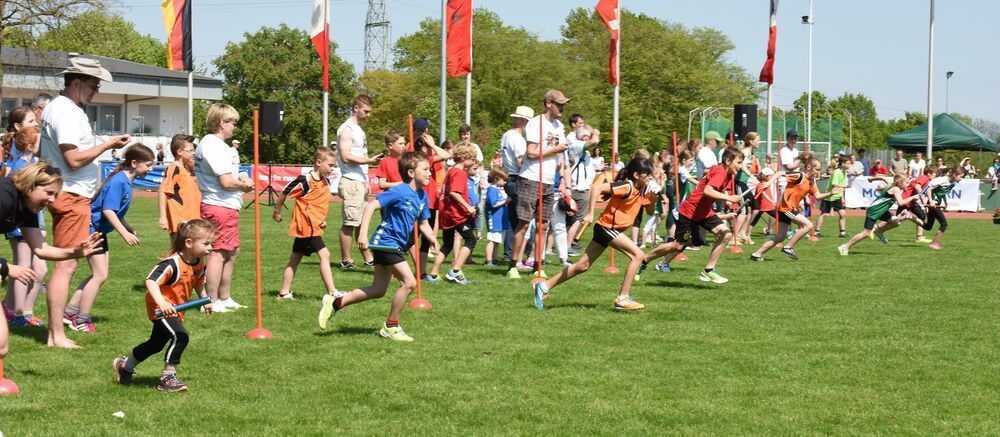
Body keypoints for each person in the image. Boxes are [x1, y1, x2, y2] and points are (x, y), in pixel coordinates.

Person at [40, 56, 131, 348]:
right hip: (71, 196)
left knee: (69, 265)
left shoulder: (66, 109)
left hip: (72, 195)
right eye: (93, 85)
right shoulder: (65, 111)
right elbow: (73, 159)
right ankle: (56, 334)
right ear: (76, 83)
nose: (96, 92)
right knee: (66, 266)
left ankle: (57, 331)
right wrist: (108, 144)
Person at [317, 151, 438, 341]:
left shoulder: (422, 197)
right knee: (410, 282)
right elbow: (372, 206)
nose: (430, 172)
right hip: (384, 242)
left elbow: (423, 224)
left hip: (395, 245)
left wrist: (433, 239)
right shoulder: (399, 190)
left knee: (378, 290)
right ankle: (391, 326)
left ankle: (337, 302)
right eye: (425, 169)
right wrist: (363, 233)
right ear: (411, 173)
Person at [0, 163, 104, 359]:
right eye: (48, 192)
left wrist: (76, 252)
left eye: (55, 194)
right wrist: (6, 267)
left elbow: (41, 249)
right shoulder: (4, 197)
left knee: (1, 346)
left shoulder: (28, 207)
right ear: (31, 185)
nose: (53, 200)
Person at [533, 157, 657, 311]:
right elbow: (596, 189)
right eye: (648, 174)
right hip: (607, 228)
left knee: (582, 266)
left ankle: (544, 286)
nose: (651, 177)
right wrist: (590, 213)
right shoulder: (627, 186)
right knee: (638, 255)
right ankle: (622, 298)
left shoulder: (644, 190)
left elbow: (650, 211)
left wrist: (652, 200)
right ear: (637, 175)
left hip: (611, 230)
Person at [112, 219, 215, 393]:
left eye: (211, 243)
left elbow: (198, 282)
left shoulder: (199, 262)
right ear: (189, 243)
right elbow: (151, 281)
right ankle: (168, 376)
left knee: (155, 344)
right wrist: (161, 302)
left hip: (176, 310)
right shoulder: (172, 263)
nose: (210, 247)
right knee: (181, 336)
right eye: (206, 243)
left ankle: (125, 366)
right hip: (160, 309)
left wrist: (204, 299)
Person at [64, 145, 155, 333]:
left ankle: (70, 312)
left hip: (97, 231)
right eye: (148, 165)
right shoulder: (120, 181)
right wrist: (124, 234)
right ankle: (81, 320)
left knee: (99, 275)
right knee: (100, 275)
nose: (151, 169)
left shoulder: (125, 181)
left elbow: (116, 212)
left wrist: (129, 227)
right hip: (92, 230)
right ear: (134, 163)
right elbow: (108, 210)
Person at [638, 148, 745, 284]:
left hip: (704, 212)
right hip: (690, 212)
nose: (741, 166)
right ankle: (644, 259)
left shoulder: (728, 175)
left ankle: (708, 271)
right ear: (728, 161)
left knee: (726, 234)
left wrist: (728, 204)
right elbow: (707, 191)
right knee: (677, 246)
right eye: (739, 162)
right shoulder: (721, 172)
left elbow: (712, 190)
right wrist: (728, 197)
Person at [194, 103, 254, 312]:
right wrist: (244, 185)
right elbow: (226, 182)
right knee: (218, 253)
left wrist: (243, 177)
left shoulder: (220, 146)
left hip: (225, 205)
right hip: (219, 205)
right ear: (221, 123)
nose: (235, 127)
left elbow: (230, 176)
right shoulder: (213, 145)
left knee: (232, 251)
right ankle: (210, 301)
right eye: (233, 123)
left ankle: (224, 297)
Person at [509, 91, 569, 279]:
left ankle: (537, 264)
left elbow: (560, 155)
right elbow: (532, 153)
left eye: (564, 104)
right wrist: (556, 149)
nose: (562, 108)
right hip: (531, 178)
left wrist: (563, 179)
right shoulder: (536, 123)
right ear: (548, 103)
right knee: (524, 223)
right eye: (559, 104)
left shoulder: (559, 126)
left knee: (543, 225)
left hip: (550, 181)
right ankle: (513, 264)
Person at [272, 148, 339, 300]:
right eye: (330, 165)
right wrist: (277, 211)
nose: (333, 169)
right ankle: (332, 292)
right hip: (307, 226)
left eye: (334, 166)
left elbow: (317, 203)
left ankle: (284, 292)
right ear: (318, 162)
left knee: (295, 258)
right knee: (325, 254)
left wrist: (322, 219)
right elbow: (285, 191)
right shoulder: (305, 180)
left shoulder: (325, 180)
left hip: (313, 225)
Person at [750, 152, 840, 261]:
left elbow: (818, 196)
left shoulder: (812, 181)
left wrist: (831, 193)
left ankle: (757, 254)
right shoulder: (799, 176)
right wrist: (769, 183)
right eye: (817, 169)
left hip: (787, 209)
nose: (818, 172)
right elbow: (779, 173)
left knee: (780, 237)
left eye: (819, 170)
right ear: (808, 167)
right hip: (786, 208)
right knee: (808, 225)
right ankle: (788, 247)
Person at [3, 127, 47, 327]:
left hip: (22, 221)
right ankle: (18, 313)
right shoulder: (22, 166)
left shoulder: (32, 164)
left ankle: (16, 310)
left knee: (31, 268)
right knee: (23, 267)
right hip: (16, 224)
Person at [336, 95, 381, 270]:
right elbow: (346, 156)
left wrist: (366, 179)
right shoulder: (347, 129)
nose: (368, 115)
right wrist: (369, 161)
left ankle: (368, 258)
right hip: (351, 181)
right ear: (356, 108)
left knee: (361, 222)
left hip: (359, 181)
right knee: (350, 223)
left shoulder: (358, 130)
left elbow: (358, 156)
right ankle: (346, 260)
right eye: (366, 111)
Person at [427, 143, 478, 285]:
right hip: (455, 214)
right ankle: (455, 271)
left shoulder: (450, 170)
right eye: (472, 159)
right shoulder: (460, 173)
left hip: (446, 213)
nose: (474, 162)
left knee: (448, 244)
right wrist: (468, 207)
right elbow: (454, 192)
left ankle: (433, 274)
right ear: (463, 158)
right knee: (471, 240)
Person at [837, 174, 920, 256]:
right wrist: (913, 197)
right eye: (906, 182)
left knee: (896, 222)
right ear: (900, 183)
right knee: (866, 233)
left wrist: (872, 179)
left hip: (882, 211)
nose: (908, 184)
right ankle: (845, 246)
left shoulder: (892, 185)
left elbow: (882, 177)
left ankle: (879, 231)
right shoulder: (896, 189)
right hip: (874, 211)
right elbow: (901, 203)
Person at [412, 118, 451, 280]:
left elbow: (447, 155)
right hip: (418, 200)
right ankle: (394, 268)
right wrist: (429, 145)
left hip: (431, 201)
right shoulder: (416, 158)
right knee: (411, 236)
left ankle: (421, 272)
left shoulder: (430, 158)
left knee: (426, 241)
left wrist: (433, 146)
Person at [500, 106, 532, 277]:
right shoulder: (517, 139)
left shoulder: (506, 135)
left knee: (515, 220)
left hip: (509, 178)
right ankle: (516, 259)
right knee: (521, 221)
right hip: (517, 179)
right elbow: (521, 162)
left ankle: (511, 255)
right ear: (523, 121)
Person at [157, 134, 200, 237]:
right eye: (190, 150)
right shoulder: (174, 168)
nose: (193, 153)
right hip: (180, 222)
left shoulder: (186, 170)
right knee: (180, 253)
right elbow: (163, 192)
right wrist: (163, 217)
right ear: (180, 152)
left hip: (193, 221)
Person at [567, 125, 599, 255]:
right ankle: (568, 246)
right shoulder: (578, 145)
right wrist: (596, 132)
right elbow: (595, 141)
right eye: (589, 136)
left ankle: (565, 244)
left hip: (580, 188)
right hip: (579, 190)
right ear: (585, 137)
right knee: (577, 220)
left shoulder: (582, 150)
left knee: (570, 219)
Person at [923, 166, 964, 250]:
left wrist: (945, 203)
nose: (961, 179)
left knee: (928, 226)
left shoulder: (952, 183)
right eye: (960, 176)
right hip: (933, 203)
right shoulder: (943, 180)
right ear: (954, 175)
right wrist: (930, 201)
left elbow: (943, 193)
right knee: (944, 224)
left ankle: (910, 217)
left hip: (936, 204)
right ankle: (934, 243)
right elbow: (928, 188)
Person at [815, 156, 850, 238]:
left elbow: (841, 187)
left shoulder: (844, 172)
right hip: (829, 196)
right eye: (848, 163)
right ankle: (817, 232)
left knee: (843, 214)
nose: (850, 165)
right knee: (824, 214)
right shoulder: (836, 172)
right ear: (842, 164)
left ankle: (842, 232)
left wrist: (843, 198)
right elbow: (834, 184)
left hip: (837, 197)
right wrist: (845, 186)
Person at [484, 167, 511, 267]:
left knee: (497, 241)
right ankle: (488, 260)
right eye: (503, 180)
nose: (505, 182)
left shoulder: (497, 190)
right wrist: (505, 201)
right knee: (492, 240)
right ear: (496, 179)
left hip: (500, 220)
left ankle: (494, 259)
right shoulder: (492, 190)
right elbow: (493, 204)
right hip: (494, 219)